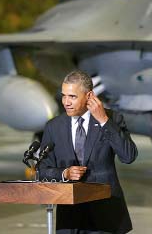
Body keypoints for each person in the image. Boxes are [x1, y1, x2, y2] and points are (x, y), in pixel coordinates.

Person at [39, 70, 138, 233]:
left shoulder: (113, 119)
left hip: (106, 214)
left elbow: (128, 156)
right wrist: (65, 174)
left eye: (72, 97)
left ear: (89, 96)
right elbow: (43, 170)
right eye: (64, 96)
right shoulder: (53, 127)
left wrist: (104, 120)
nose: (66, 102)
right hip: (70, 219)